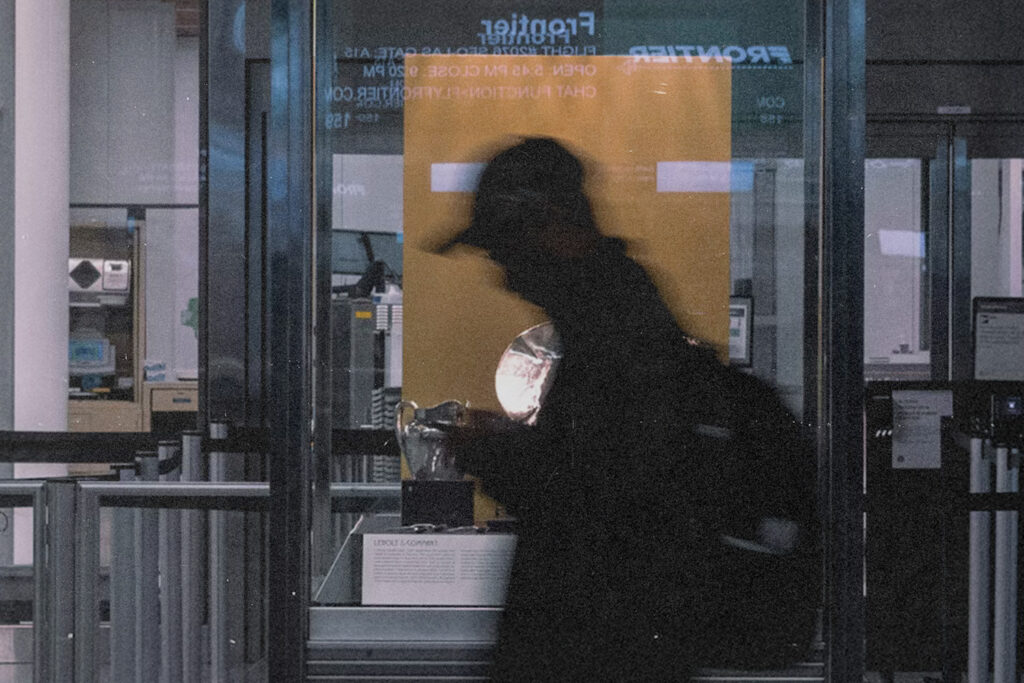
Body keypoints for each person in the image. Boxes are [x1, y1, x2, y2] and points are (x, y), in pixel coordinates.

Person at [435, 137, 818, 681]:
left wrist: (497, 455)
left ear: (549, 225)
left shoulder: (613, 320)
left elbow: (609, 497)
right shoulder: (615, 310)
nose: (503, 273)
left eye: (504, 249)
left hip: (605, 645)